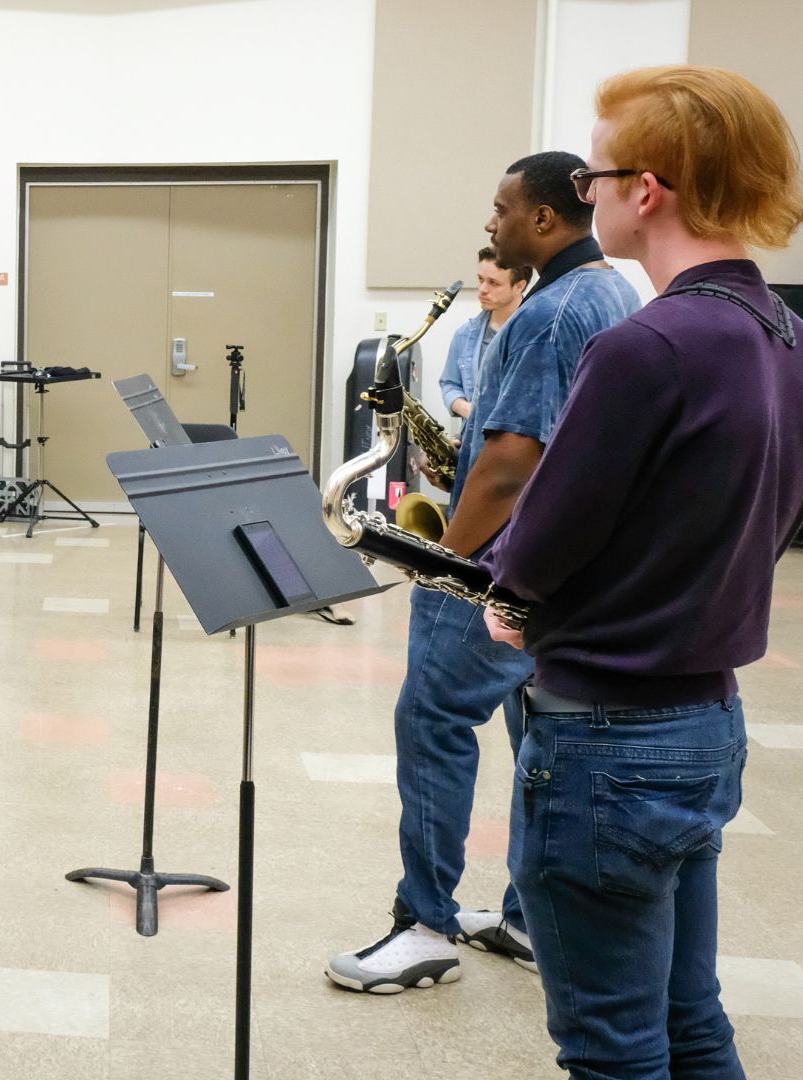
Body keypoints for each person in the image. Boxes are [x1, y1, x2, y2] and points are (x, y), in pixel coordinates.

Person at [483, 65, 803, 1077]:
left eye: (595, 176)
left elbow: (541, 543)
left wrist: (508, 595)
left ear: (646, 188)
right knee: (690, 1023)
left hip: (608, 741)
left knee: (612, 1050)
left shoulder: (647, 344)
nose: (589, 195)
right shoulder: (784, 333)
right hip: (705, 720)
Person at [328, 151, 641, 994]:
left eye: (501, 211)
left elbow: (507, 464)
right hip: (564, 569)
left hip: (500, 566)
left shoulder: (547, 313)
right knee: (533, 734)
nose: (490, 226)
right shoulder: (613, 293)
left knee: (431, 718)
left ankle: (423, 923)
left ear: (544, 220)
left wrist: (440, 564)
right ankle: (523, 915)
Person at [437, 246, 529, 423]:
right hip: (473, 441)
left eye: (493, 283)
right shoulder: (464, 334)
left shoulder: (539, 334)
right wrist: (467, 410)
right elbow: (450, 384)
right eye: (481, 280)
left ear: (519, 286)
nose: (482, 289)